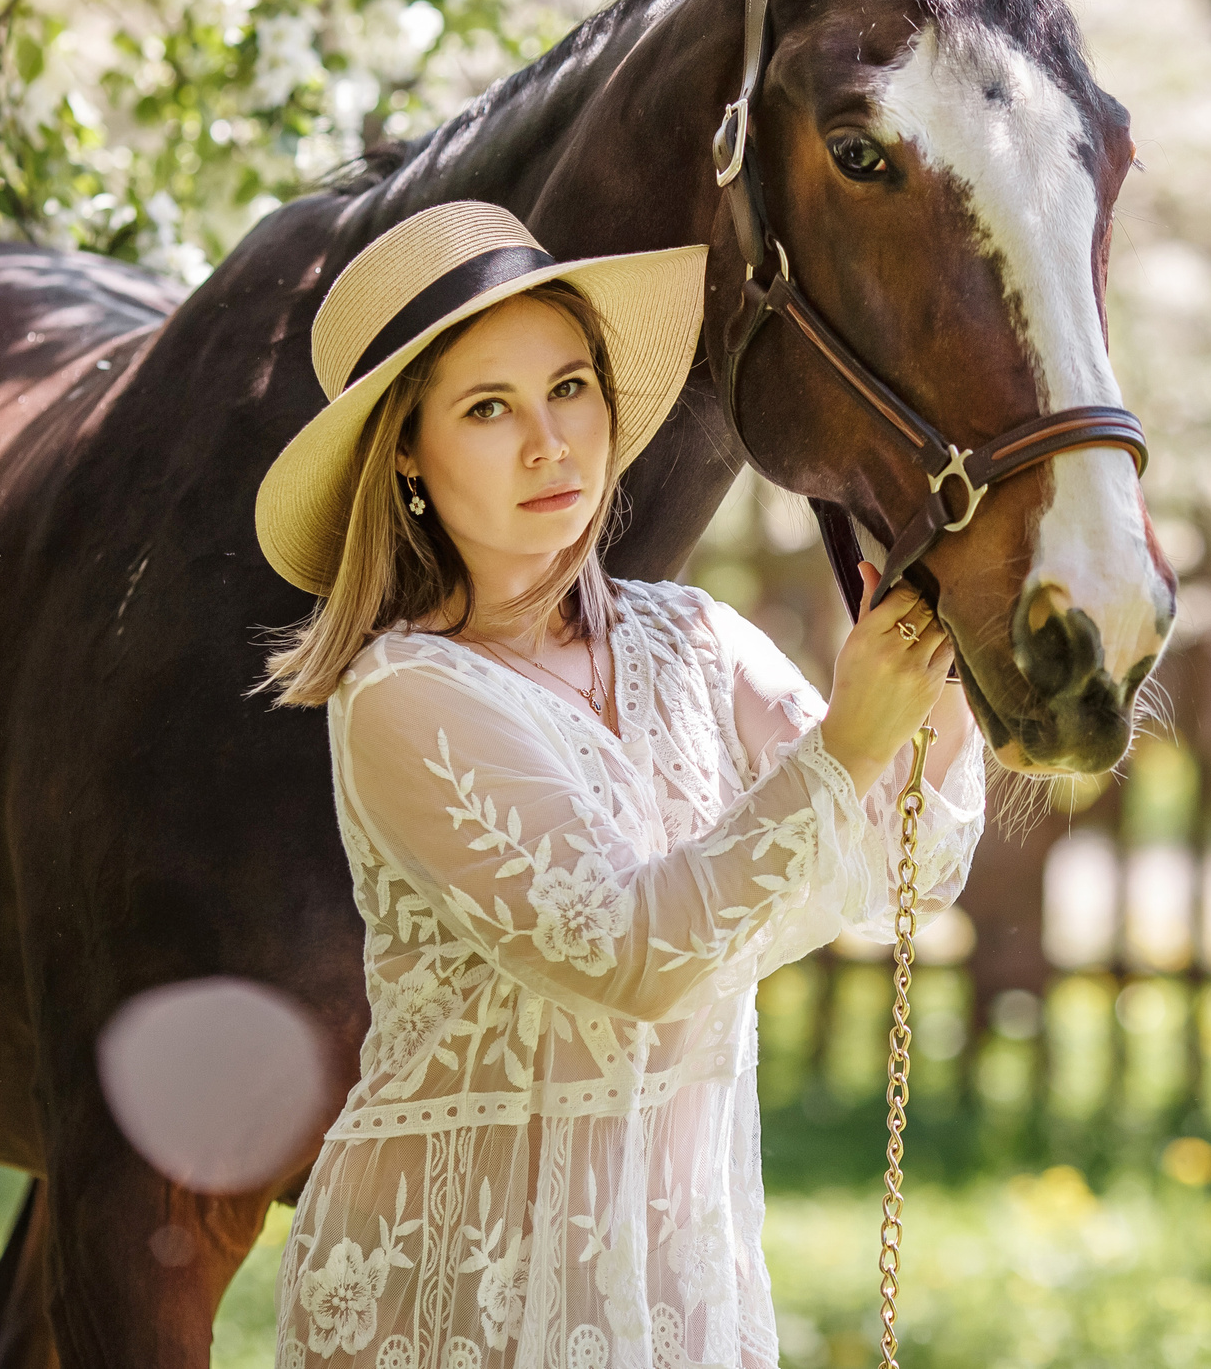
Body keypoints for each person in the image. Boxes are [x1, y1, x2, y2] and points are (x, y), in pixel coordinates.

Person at [249, 200, 983, 1369]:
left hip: (671, 1280)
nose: (551, 443)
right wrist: (843, 748)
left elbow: (905, 861)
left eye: (571, 387)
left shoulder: (692, 637)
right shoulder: (403, 693)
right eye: (489, 409)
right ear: (407, 452)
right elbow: (632, 955)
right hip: (452, 1286)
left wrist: (947, 630)